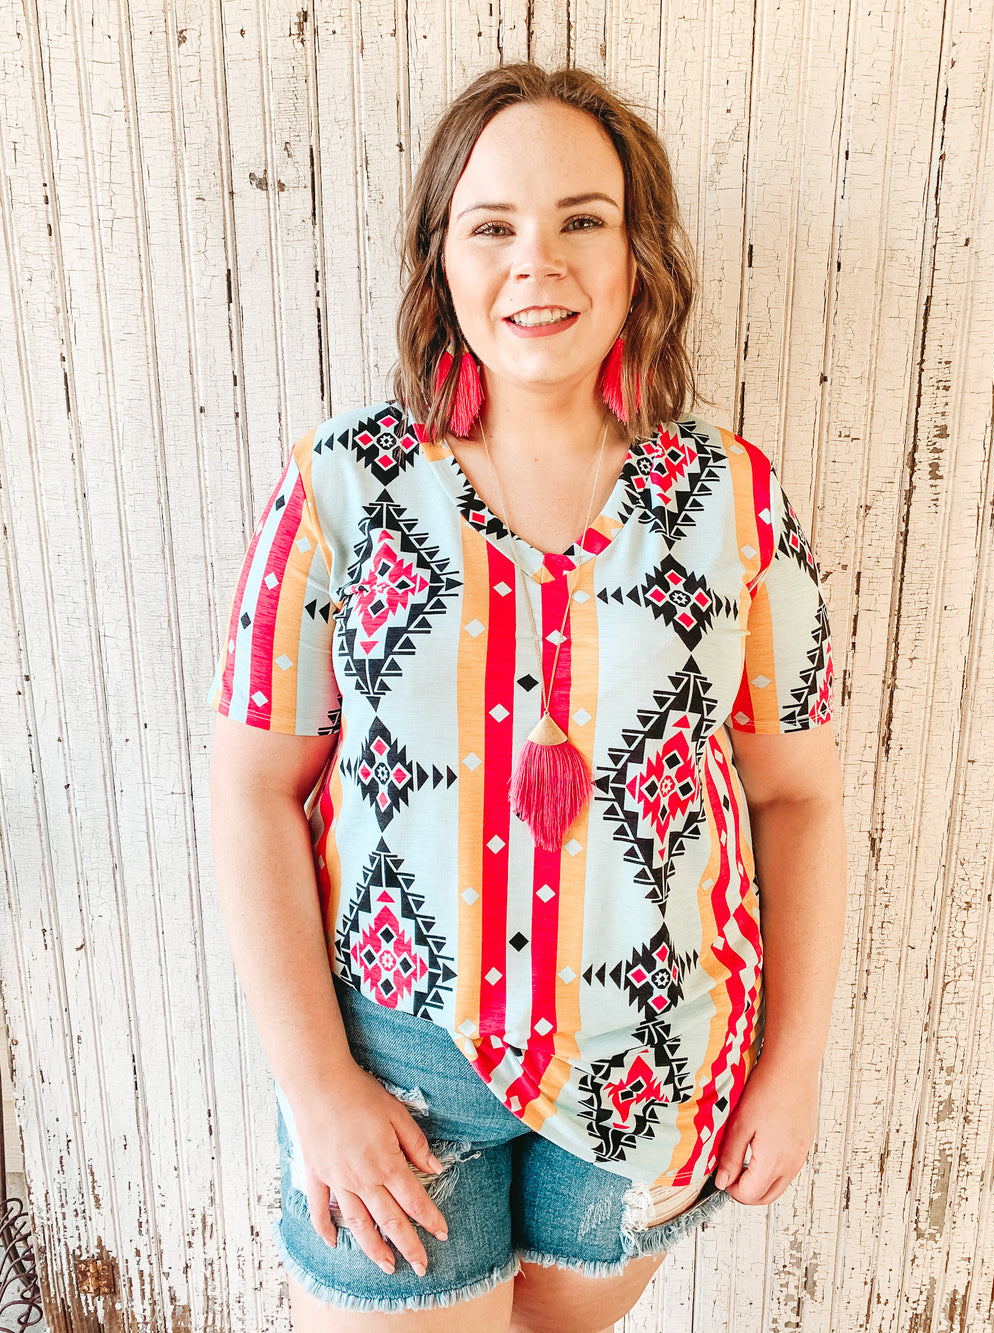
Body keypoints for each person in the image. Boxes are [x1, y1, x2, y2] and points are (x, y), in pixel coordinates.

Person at [208, 62, 847, 1333]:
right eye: (491, 224)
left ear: (636, 251)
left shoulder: (733, 502)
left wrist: (793, 1066)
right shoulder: (340, 490)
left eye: (581, 218)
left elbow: (798, 795)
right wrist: (318, 1083)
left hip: (652, 1060)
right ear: (440, 258)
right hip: (400, 1062)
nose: (534, 262)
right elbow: (248, 793)